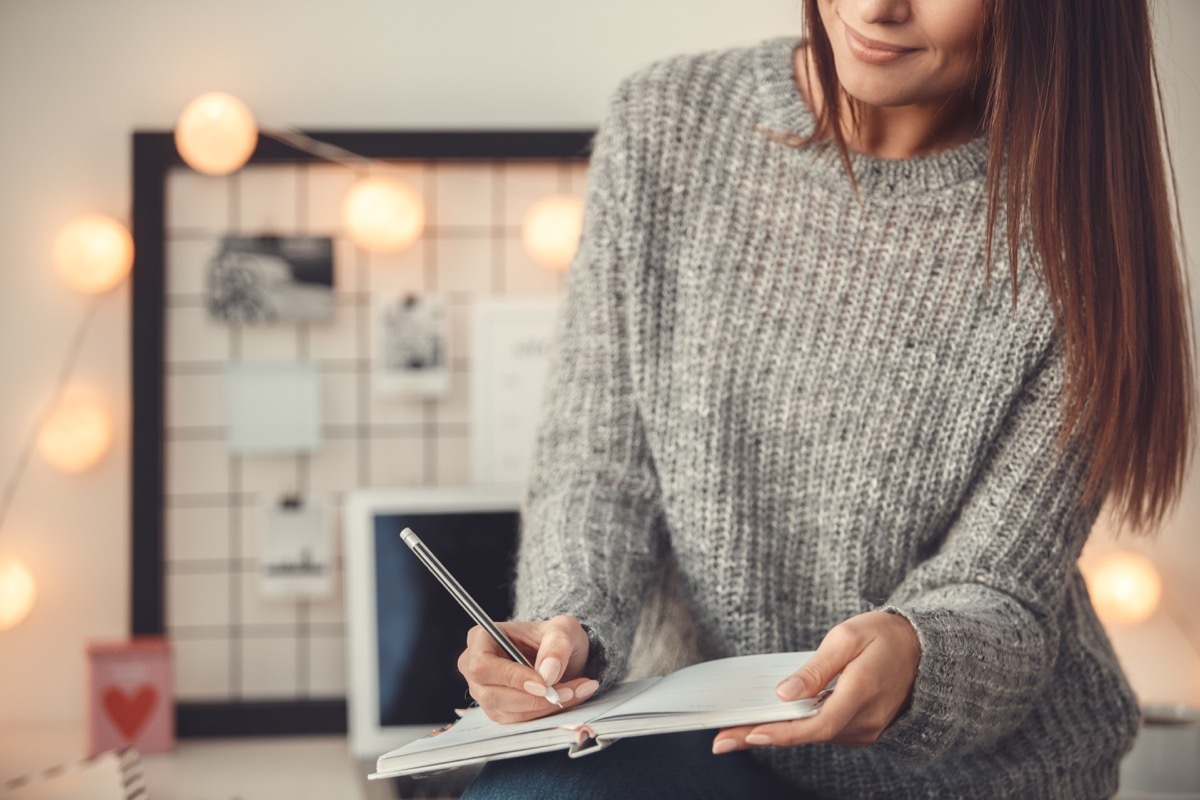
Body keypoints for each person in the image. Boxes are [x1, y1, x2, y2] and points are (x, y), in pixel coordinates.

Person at [458, 0, 1195, 797]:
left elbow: (1002, 592)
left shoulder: (1081, 240)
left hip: (972, 775)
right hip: (702, 742)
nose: (878, 7)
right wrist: (570, 627)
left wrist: (919, 651)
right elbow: (598, 466)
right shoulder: (667, 120)